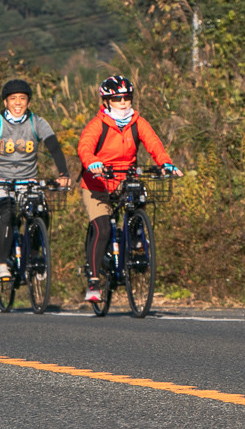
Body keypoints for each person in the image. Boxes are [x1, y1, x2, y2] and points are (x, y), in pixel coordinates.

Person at [77, 75, 182, 303]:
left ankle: (135, 237)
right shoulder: (97, 125)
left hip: (124, 177)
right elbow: (85, 146)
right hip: (97, 182)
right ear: (106, 102)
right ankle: (94, 281)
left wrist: (165, 163)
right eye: (117, 99)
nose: (123, 103)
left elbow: (154, 143)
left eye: (127, 98)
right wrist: (92, 163)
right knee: (103, 228)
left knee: (139, 192)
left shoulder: (137, 122)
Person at [0, 79, 72, 281]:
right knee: (9, 212)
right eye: (13, 99)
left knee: (42, 210)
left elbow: (54, 147)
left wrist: (63, 174)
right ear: (5, 102)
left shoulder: (37, 122)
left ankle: (35, 254)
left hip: (27, 180)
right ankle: (2, 263)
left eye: (22, 98)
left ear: (28, 102)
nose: (18, 103)